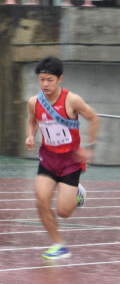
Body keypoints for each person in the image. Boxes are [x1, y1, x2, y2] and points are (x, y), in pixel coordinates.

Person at [25, 56, 99, 259]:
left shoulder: (71, 100)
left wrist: (90, 147)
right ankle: (59, 244)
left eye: (50, 79)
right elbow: (33, 121)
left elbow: (93, 118)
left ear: (60, 79)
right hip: (48, 158)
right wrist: (31, 135)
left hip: (70, 161)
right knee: (41, 201)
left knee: (64, 212)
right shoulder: (34, 102)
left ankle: (76, 193)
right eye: (41, 79)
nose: (45, 84)